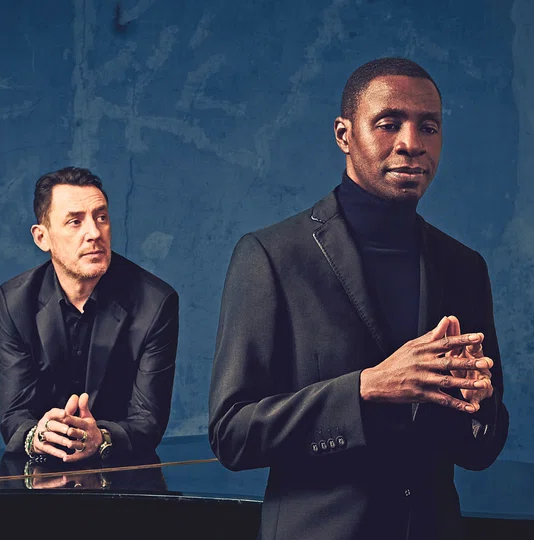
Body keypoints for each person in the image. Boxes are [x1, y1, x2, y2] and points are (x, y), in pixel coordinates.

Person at [208, 57, 509, 539]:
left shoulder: (464, 266)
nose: (411, 143)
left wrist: (478, 407)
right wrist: (366, 388)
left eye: (429, 127)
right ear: (344, 135)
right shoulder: (271, 255)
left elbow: (481, 451)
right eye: (389, 124)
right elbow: (232, 434)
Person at [0, 166, 179, 463]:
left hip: (124, 471)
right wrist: (38, 435)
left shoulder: (155, 302)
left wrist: (102, 437)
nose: (94, 233)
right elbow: (14, 414)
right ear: (42, 237)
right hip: (42, 475)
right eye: (75, 221)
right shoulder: (15, 301)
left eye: (101, 217)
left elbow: (148, 420)